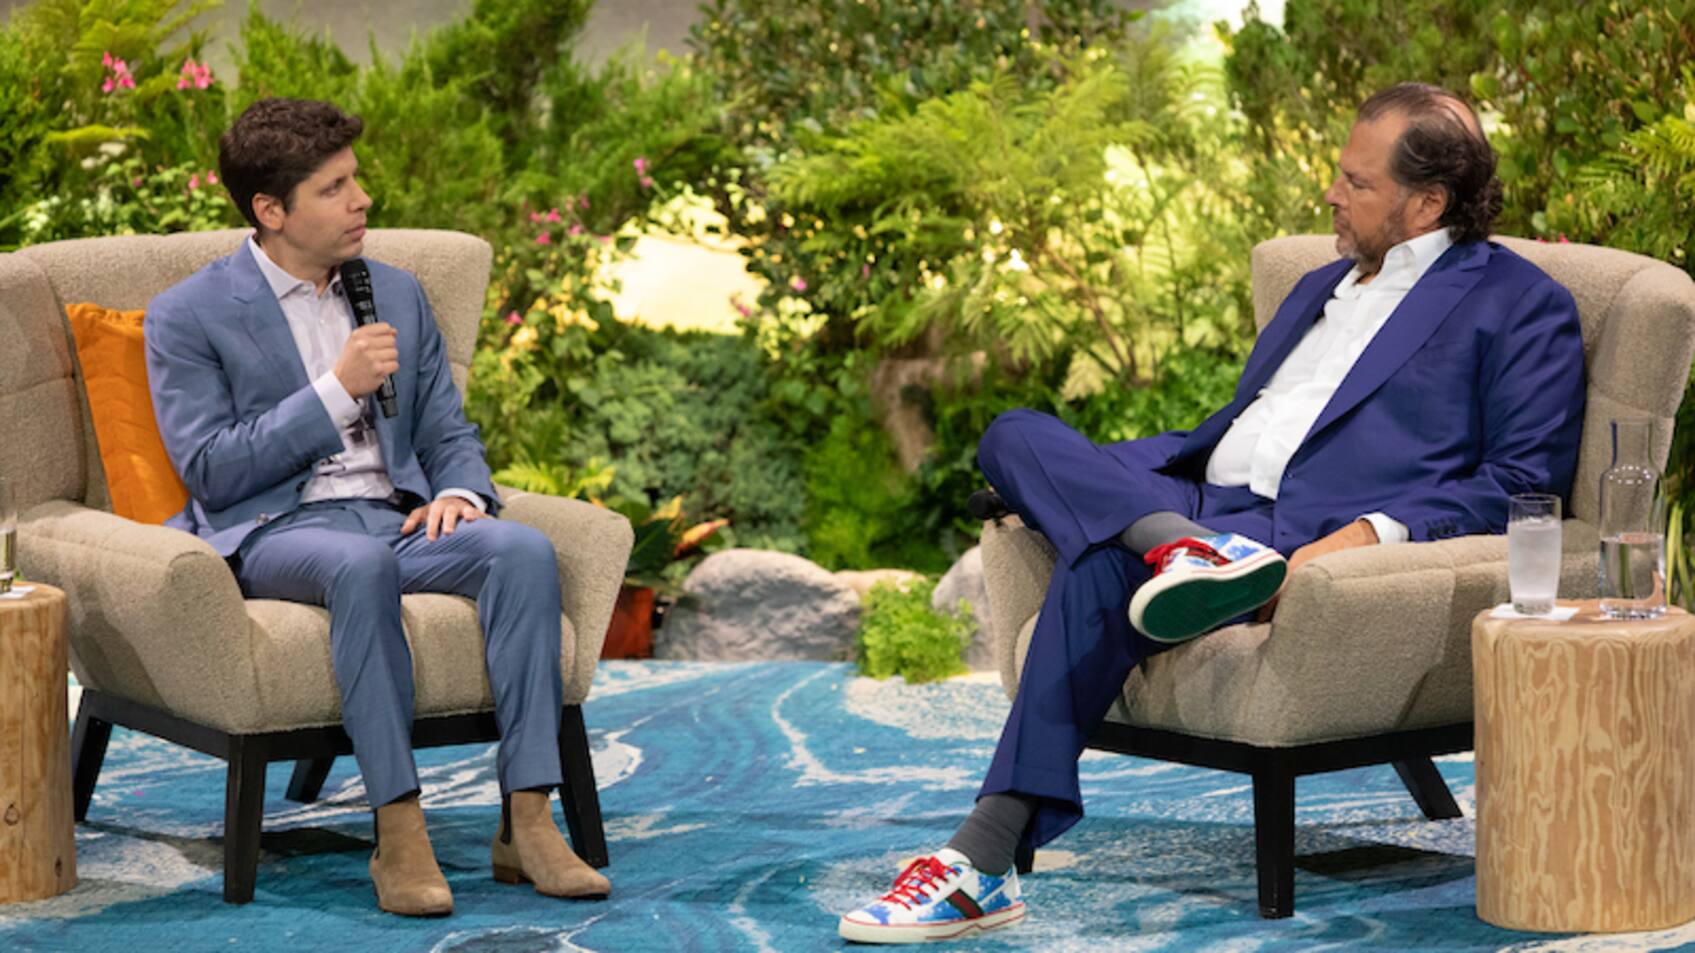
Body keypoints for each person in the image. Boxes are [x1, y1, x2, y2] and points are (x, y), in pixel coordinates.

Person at [837, 82, 1586, 943]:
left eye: (1356, 183)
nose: (1331, 195)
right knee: (1014, 434)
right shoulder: (1317, 284)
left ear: (1427, 203)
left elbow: (1522, 479)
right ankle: (1175, 545)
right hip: (1198, 497)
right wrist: (1110, 483)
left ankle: (979, 858)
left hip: (1288, 530)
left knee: (1097, 563)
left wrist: (1361, 536)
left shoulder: (1517, 304)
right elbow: (1240, 426)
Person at [144, 98, 610, 917]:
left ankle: (529, 821)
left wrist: (458, 494)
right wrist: (335, 390)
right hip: (277, 527)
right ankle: (398, 831)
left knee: (521, 550)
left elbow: (447, 430)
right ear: (271, 210)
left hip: (396, 519)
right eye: (334, 188)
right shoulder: (189, 313)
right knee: (358, 565)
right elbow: (211, 469)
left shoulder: (393, 290)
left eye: (354, 180)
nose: (362, 200)